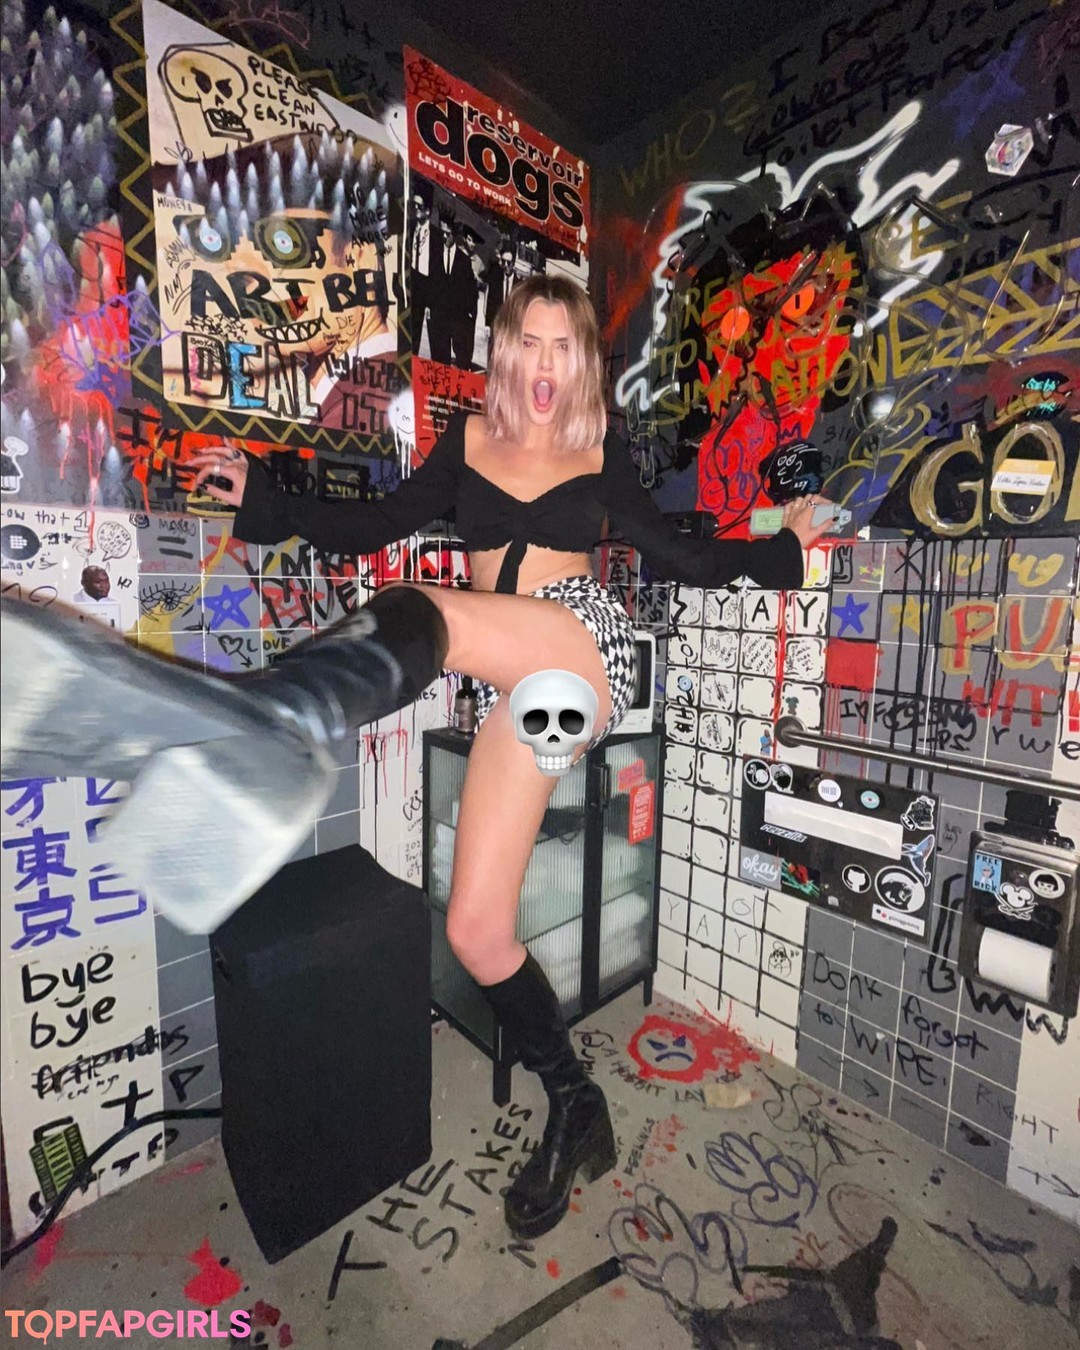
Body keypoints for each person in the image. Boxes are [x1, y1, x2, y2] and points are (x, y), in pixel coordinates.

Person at [0, 276, 834, 1242]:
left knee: (432, 611)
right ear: (507, 351)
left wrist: (786, 554)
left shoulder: (597, 452)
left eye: (566, 346)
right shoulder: (467, 444)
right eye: (532, 342)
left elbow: (683, 558)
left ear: (582, 362)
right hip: (514, 694)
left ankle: (286, 711)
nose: (548, 364)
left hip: (579, 656)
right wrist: (267, 495)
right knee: (477, 929)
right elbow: (374, 524)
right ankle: (577, 1105)